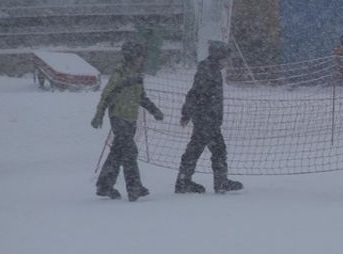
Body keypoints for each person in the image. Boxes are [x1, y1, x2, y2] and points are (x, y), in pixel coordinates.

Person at [91, 40, 164, 201]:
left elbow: (141, 97)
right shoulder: (120, 74)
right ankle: (134, 187)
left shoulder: (137, 75)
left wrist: (154, 111)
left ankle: (104, 185)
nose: (142, 59)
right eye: (139, 56)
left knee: (118, 152)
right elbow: (107, 95)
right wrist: (99, 114)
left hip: (131, 119)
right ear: (131, 57)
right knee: (130, 152)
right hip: (118, 117)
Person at [175, 41, 243, 194]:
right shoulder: (208, 71)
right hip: (206, 119)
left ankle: (184, 180)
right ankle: (219, 182)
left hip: (207, 118)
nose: (227, 62)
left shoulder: (212, 70)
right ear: (218, 57)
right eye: (225, 58)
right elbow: (195, 93)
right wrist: (187, 113)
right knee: (216, 150)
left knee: (197, 149)